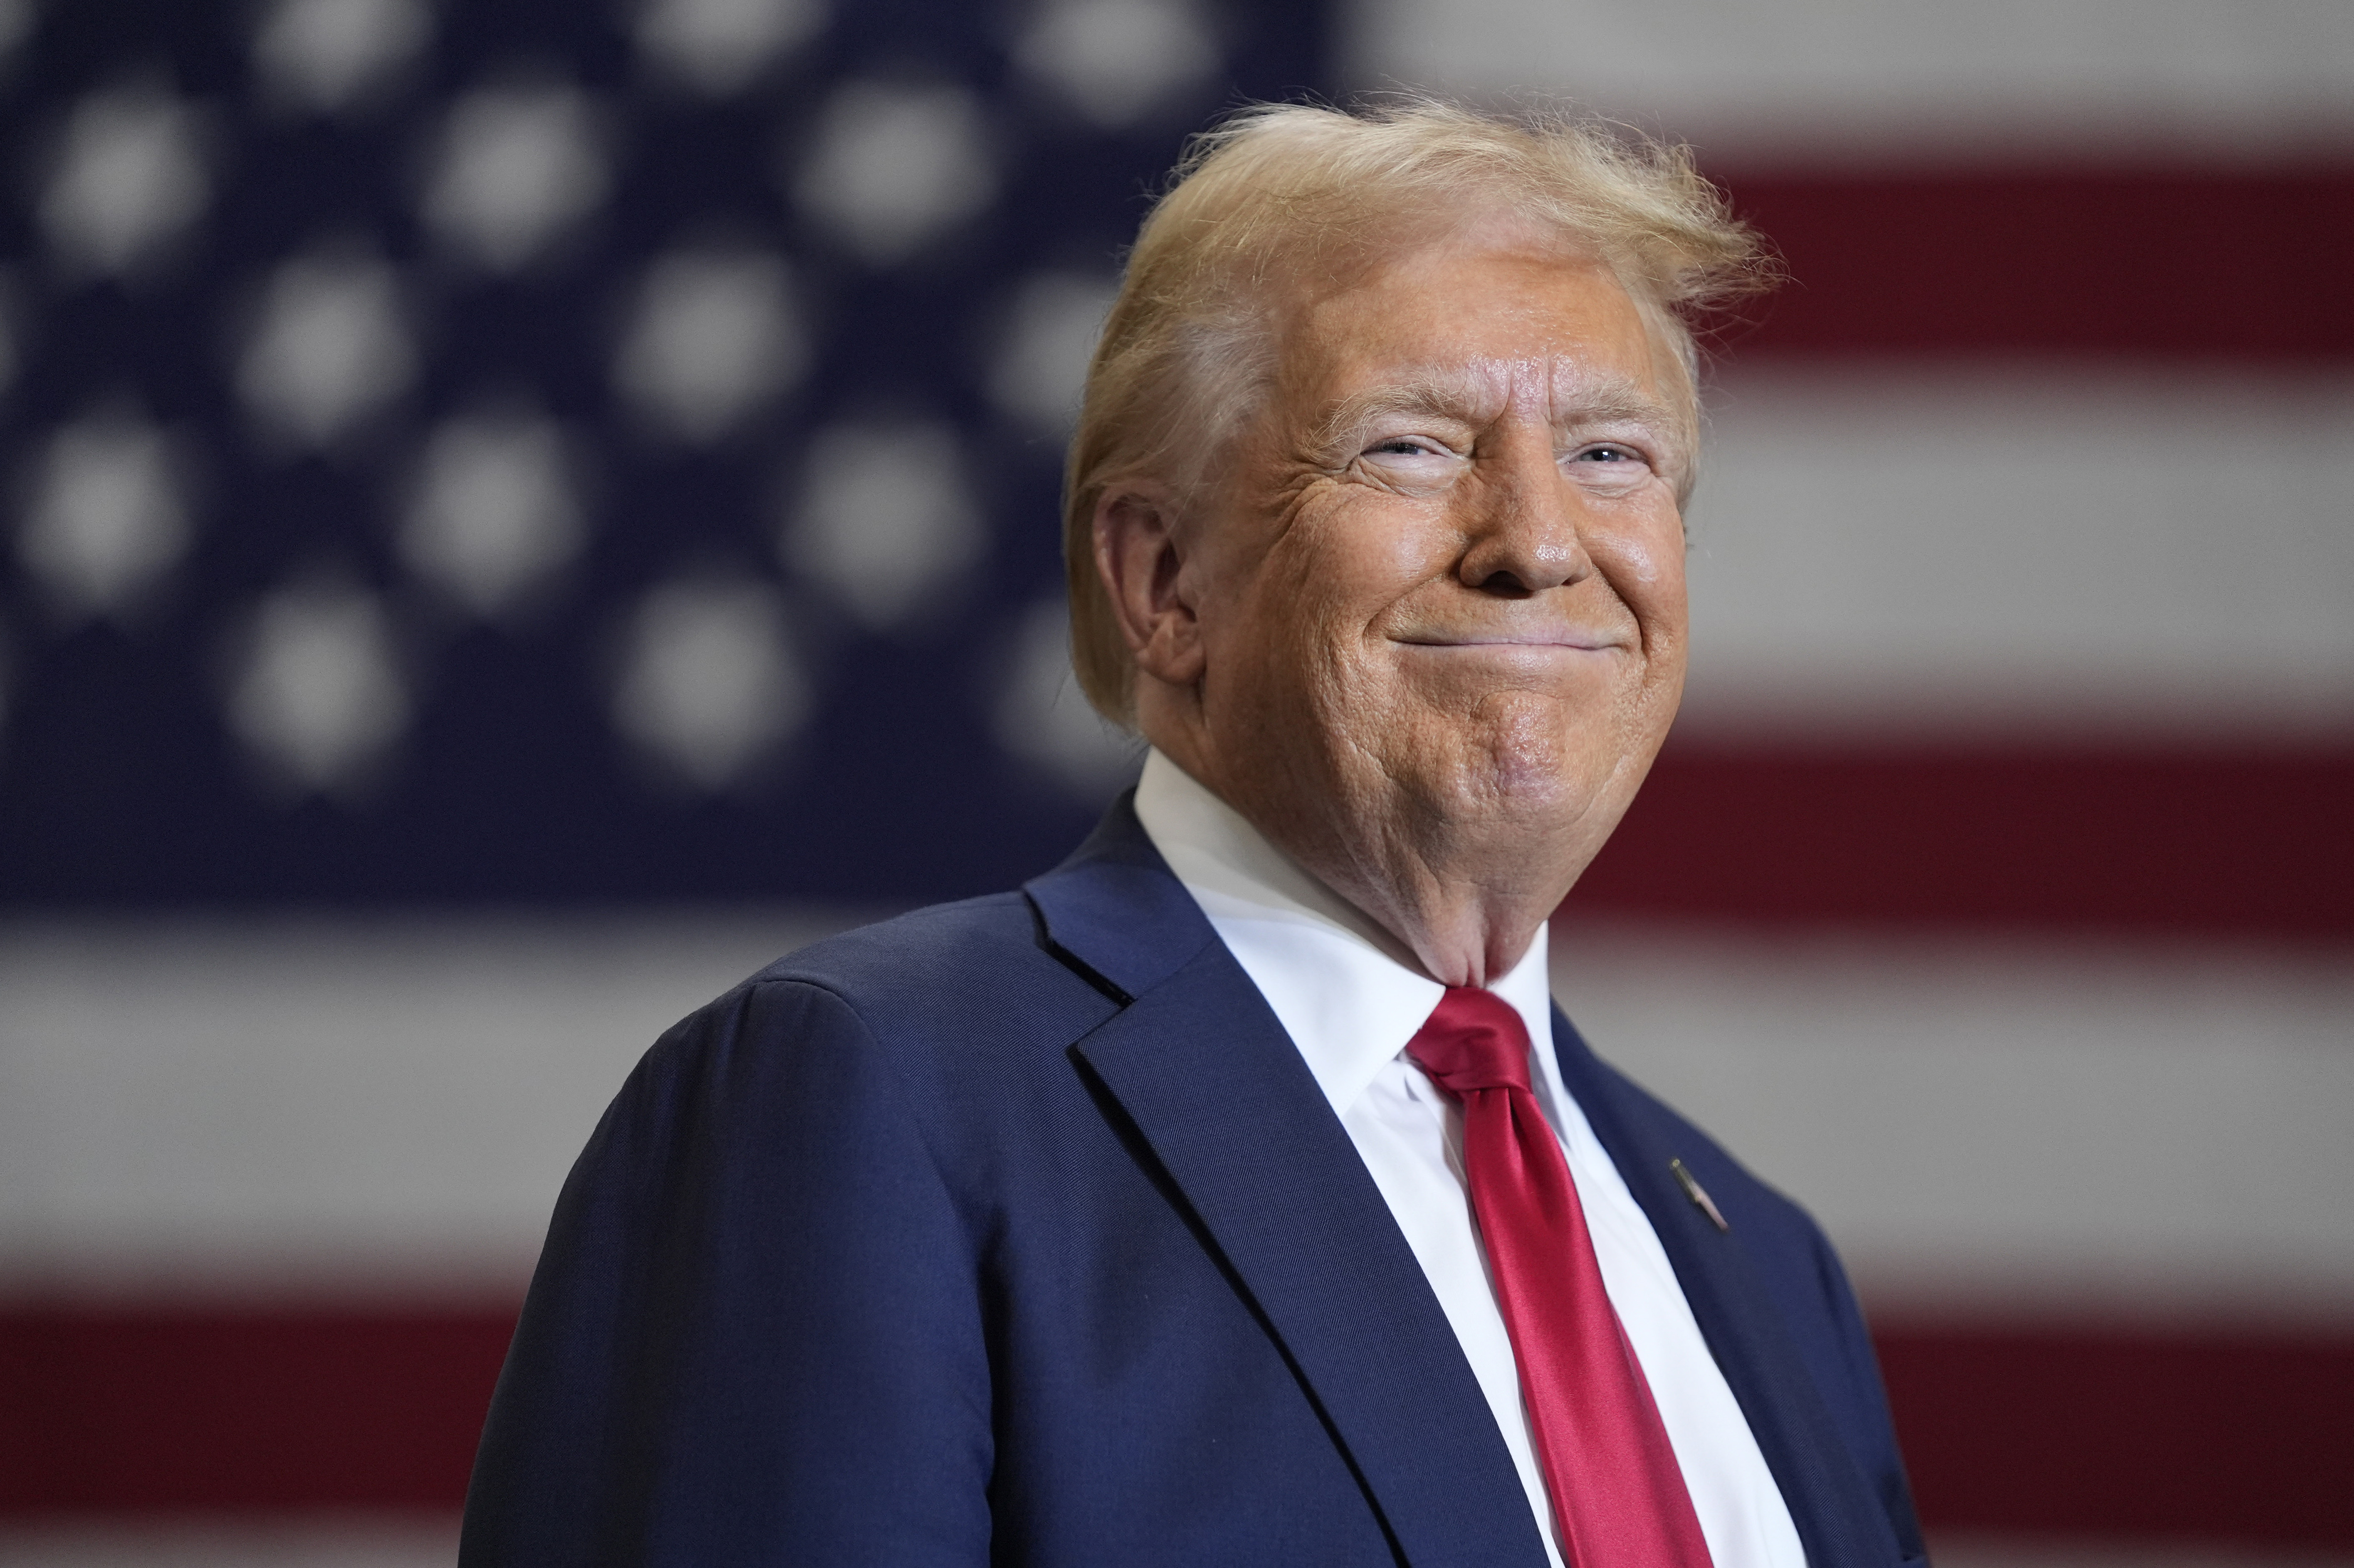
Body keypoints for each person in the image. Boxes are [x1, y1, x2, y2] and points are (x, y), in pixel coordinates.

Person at [461, 99, 1926, 1568]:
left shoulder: (1759, 1258)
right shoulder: (866, 1100)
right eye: (1412, 445)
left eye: (1613, 455)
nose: (1538, 542)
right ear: (1164, 584)